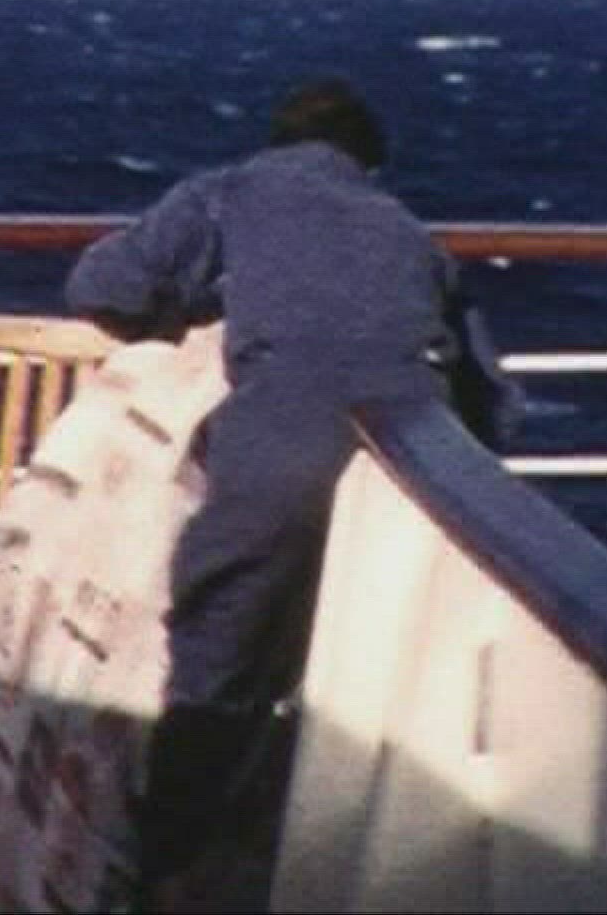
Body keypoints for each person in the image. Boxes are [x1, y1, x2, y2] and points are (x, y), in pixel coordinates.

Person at [63, 78, 518, 905]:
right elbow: (487, 402)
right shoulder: (410, 232)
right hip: (419, 464)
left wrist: (202, 303)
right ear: (365, 162)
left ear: (276, 143)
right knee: (376, 670)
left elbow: (106, 288)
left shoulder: (228, 191)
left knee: (219, 655)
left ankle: (171, 868)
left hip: (285, 449)